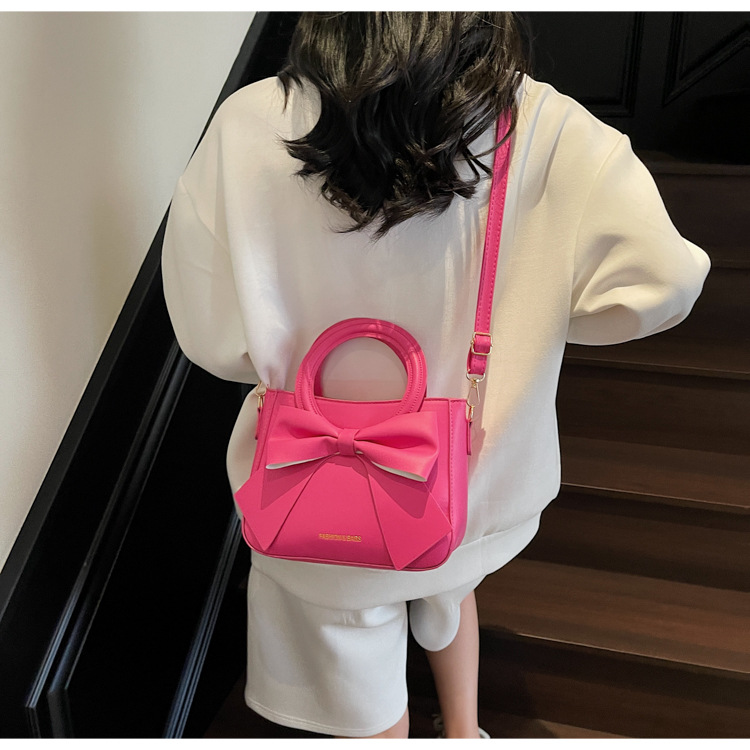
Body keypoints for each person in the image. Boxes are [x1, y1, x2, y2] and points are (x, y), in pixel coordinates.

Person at [161, 12, 710, 739]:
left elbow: (207, 330)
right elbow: (665, 282)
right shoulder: (546, 125)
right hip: (471, 482)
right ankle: (463, 732)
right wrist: (534, 319)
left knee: (354, 671)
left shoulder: (248, 122)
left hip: (310, 490)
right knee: (449, 585)